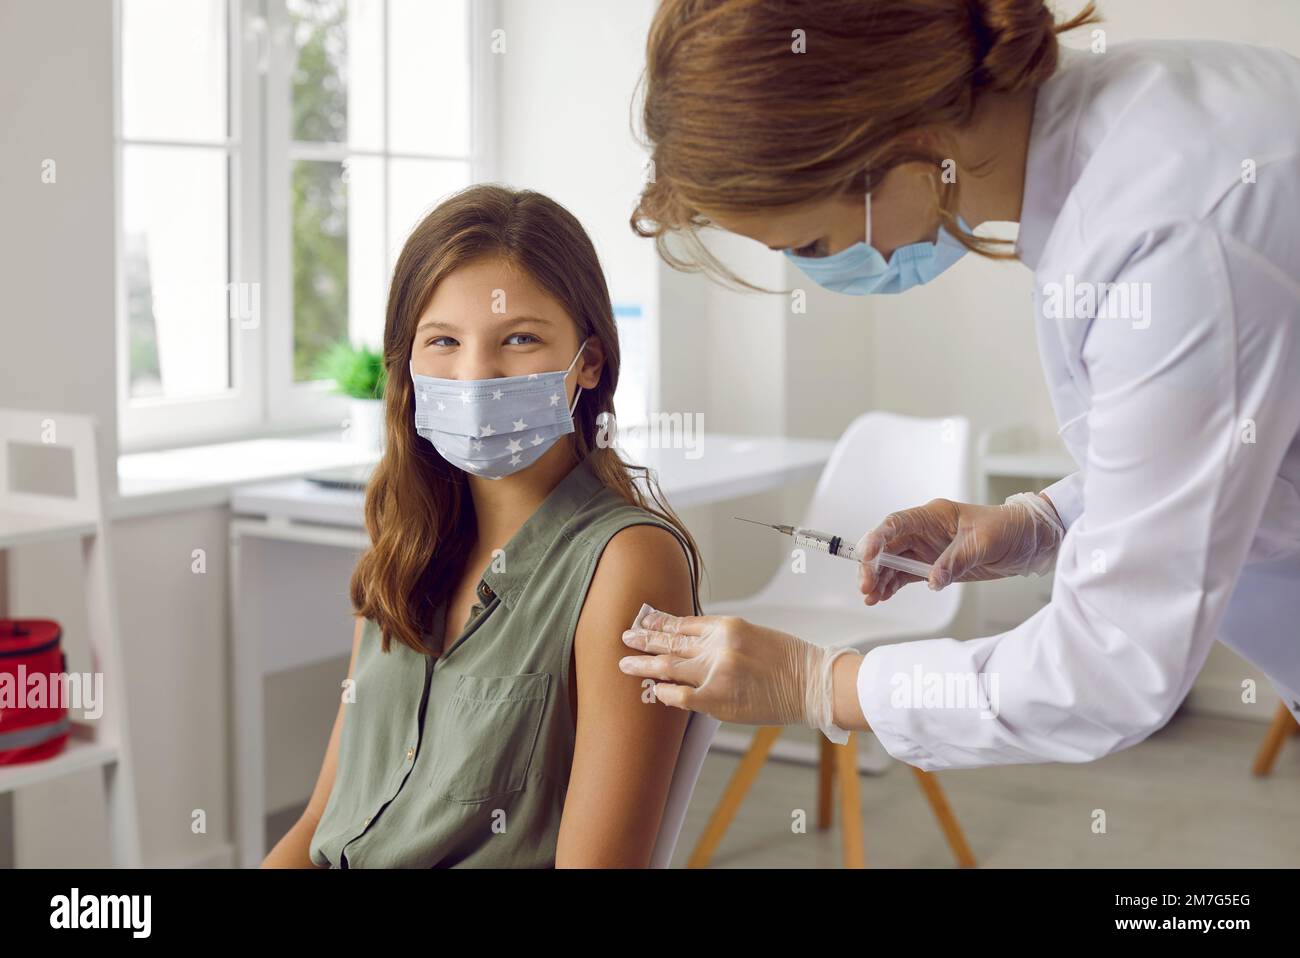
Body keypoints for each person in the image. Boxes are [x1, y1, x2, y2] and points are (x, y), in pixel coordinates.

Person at [619, 0, 1300, 769]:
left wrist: (818, 681)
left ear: (911, 147)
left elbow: (1107, 669)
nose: (824, 268)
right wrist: (1043, 521)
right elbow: (1235, 444)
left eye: (813, 242)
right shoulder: (1142, 130)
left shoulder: (1171, 236)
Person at [262, 185, 702, 866]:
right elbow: (323, 819)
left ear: (588, 360)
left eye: (519, 338)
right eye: (443, 341)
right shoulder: (403, 544)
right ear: (408, 361)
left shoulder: (626, 564)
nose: (475, 375)